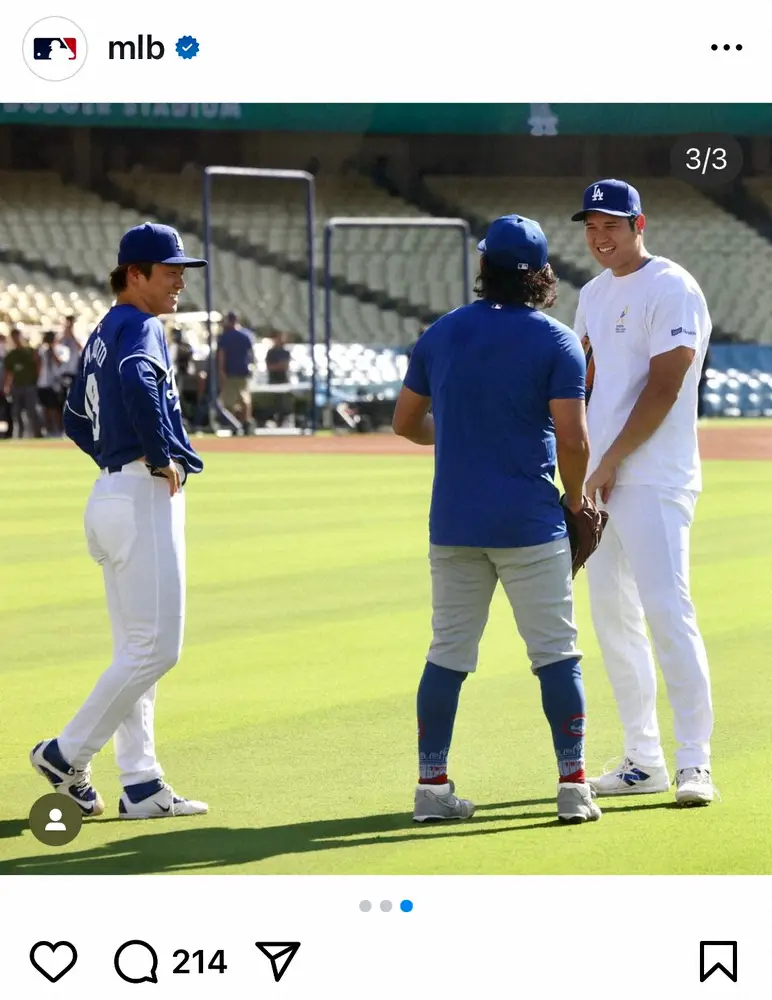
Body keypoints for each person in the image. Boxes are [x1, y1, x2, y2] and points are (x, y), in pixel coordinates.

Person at [392, 214, 601, 825]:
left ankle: (431, 788)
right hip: (529, 523)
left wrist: (457, 437)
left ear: (482, 267)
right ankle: (573, 786)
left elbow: (406, 423)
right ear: (540, 274)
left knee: (447, 655)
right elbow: (574, 437)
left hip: (454, 521)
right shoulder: (557, 340)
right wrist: (576, 498)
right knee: (556, 654)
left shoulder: (442, 333)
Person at [30, 222, 210, 820]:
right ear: (135, 275)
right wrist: (156, 457)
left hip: (110, 495)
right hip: (140, 495)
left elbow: (75, 420)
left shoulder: (104, 330)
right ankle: (66, 752)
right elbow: (135, 382)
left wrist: (115, 460)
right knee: (158, 650)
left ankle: (141, 783)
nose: (180, 279)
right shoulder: (141, 326)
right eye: (169, 270)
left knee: (136, 649)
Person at [571, 179, 714, 806]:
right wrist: (581, 470)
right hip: (600, 482)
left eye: (612, 225)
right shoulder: (591, 293)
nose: (601, 237)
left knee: (667, 612)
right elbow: (583, 383)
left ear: (639, 225)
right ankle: (642, 757)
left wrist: (612, 460)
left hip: (654, 475)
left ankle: (694, 764)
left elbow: (666, 383)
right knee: (614, 621)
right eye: (592, 227)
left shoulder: (672, 285)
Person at [217, 311, 255, 431]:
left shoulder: (226, 336)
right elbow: (252, 354)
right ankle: (246, 422)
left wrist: (221, 370)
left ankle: (234, 424)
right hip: (244, 371)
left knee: (229, 400)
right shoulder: (247, 335)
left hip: (231, 372)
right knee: (245, 398)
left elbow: (222, 355)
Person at [3, 328, 41, 438]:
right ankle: (19, 435)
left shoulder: (30, 351)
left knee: (31, 410)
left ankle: (36, 434)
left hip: (30, 384)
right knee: (16, 412)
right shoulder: (11, 355)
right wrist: (7, 386)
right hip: (17, 385)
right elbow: (8, 372)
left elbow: (38, 365)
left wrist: (36, 379)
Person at [36, 330, 67, 437]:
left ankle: (59, 430)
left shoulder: (60, 349)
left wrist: (52, 350)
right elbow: (38, 365)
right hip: (43, 383)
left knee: (55, 408)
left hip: (55, 384)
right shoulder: (41, 351)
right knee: (46, 408)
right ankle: (49, 430)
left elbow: (60, 363)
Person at [265, 331, 293, 426]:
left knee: (284, 401)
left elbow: (285, 366)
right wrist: (278, 366)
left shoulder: (286, 352)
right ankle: (273, 419)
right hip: (273, 379)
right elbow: (270, 367)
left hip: (283, 379)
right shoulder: (271, 352)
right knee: (273, 401)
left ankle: (283, 420)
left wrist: (277, 366)